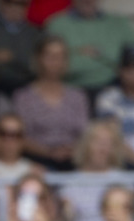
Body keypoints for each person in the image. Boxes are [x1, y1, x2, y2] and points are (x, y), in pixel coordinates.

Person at [12, 33, 88, 170]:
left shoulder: (78, 96)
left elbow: (85, 134)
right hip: (37, 162)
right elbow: (20, 137)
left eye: (60, 57)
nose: (55, 61)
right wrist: (49, 152)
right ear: (38, 59)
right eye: (50, 56)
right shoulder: (23, 97)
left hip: (74, 162)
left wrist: (71, 150)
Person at [46, 0, 134, 95]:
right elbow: (50, 65)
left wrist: (76, 53)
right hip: (69, 88)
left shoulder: (119, 23)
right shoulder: (57, 25)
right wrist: (106, 59)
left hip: (114, 87)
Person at [58, 118, 128, 221]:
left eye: (108, 143)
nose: (102, 148)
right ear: (86, 145)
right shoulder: (71, 183)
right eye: (98, 142)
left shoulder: (125, 181)